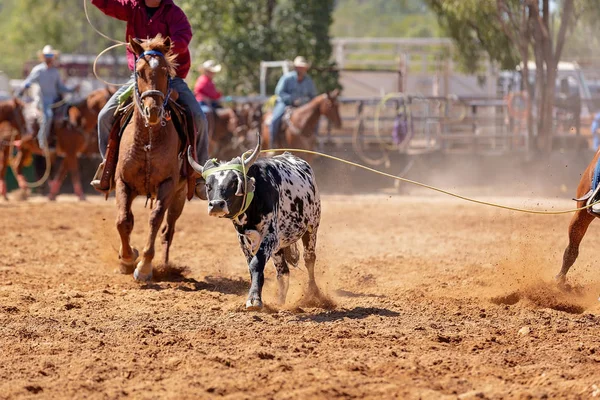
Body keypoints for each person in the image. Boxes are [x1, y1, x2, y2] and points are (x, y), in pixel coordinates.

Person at [90, 0, 208, 199]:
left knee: (199, 118)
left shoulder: (174, 14)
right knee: (104, 116)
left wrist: (155, 47)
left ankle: (201, 174)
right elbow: (107, 4)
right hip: (141, 79)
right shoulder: (131, 7)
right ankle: (108, 167)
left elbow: (183, 38)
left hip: (172, 77)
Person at [18, 45, 78, 150]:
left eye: (50, 55)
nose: (49, 58)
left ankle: (60, 140)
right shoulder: (38, 70)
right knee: (48, 116)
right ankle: (42, 141)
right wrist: (23, 88)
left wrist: (72, 89)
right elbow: (28, 81)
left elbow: (61, 87)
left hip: (55, 100)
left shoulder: (55, 72)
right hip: (43, 101)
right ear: (43, 57)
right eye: (47, 55)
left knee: (68, 114)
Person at [269, 56, 317, 147]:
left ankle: (313, 144)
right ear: (296, 67)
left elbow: (313, 96)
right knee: (275, 119)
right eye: (300, 67)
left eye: (303, 67)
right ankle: (273, 144)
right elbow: (279, 91)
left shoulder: (308, 81)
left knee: (314, 120)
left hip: (302, 106)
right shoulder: (287, 78)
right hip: (284, 103)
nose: (301, 69)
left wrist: (304, 101)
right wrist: (291, 99)